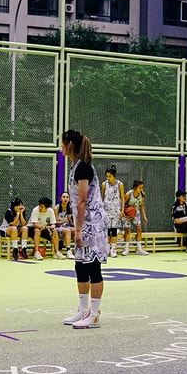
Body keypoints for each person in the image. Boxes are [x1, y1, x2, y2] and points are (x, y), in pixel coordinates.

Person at [61, 129, 108, 328]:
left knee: (93, 267)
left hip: (93, 225)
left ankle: (95, 315)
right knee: (80, 265)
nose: (61, 147)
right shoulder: (76, 166)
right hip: (84, 223)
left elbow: (82, 200)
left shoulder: (84, 168)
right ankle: (82, 310)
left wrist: (78, 230)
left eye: (62, 143)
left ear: (70, 143)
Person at [120, 180, 149, 256]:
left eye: (142, 188)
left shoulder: (142, 195)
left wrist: (144, 217)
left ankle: (139, 249)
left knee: (139, 229)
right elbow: (122, 203)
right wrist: (122, 212)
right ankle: (126, 249)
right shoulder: (129, 194)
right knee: (128, 230)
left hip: (136, 212)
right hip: (127, 213)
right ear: (135, 188)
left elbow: (142, 206)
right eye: (140, 188)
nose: (141, 189)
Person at [101, 165, 124, 257]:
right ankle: (106, 248)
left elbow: (122, 197)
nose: (108, 178)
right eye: (107, 176)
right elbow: (102, 197)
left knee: (114, 230)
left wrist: (122, 209)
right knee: (106, 230)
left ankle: (113, 249)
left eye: (109, 176)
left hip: (116, 210)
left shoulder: (120, 184)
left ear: (114, 175)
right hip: (106, 210)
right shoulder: (104, 184)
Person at [54, 191, 75, 258]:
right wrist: (64, 221)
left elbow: (72, 223)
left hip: (68, 227)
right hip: (58, 228)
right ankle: (68, 250)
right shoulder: (56, 208)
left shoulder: (71, 208)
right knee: (67, 230)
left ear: (69, 199)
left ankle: (79, 249)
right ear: (60, 199)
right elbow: (55, 223)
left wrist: (71, 220)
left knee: (76, 230)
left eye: (67, 197)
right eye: (63, 197)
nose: (65, 199)